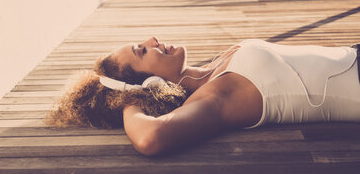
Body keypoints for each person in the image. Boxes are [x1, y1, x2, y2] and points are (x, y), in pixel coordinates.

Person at [47, 37, 360, 156]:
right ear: (150, 82)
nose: (153, 40)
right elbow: (150, 138)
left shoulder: (212, 69)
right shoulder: (216, 97)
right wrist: (130, 101)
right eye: (142, 51)